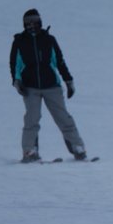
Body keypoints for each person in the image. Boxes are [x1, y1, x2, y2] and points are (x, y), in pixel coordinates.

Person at [9, 9, 87, 163]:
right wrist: (17, 82)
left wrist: (68, 81)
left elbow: (59, 61)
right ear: (24, 25)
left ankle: (78, 148)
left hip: (52, 86)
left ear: (40, 22)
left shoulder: (49, 40)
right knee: (32, 119)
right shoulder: (19, 41)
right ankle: (29, 151)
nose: (32, 26)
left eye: (35, 22)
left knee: (63, 117)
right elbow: (14, 63)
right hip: (30, 87)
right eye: (28, 23)